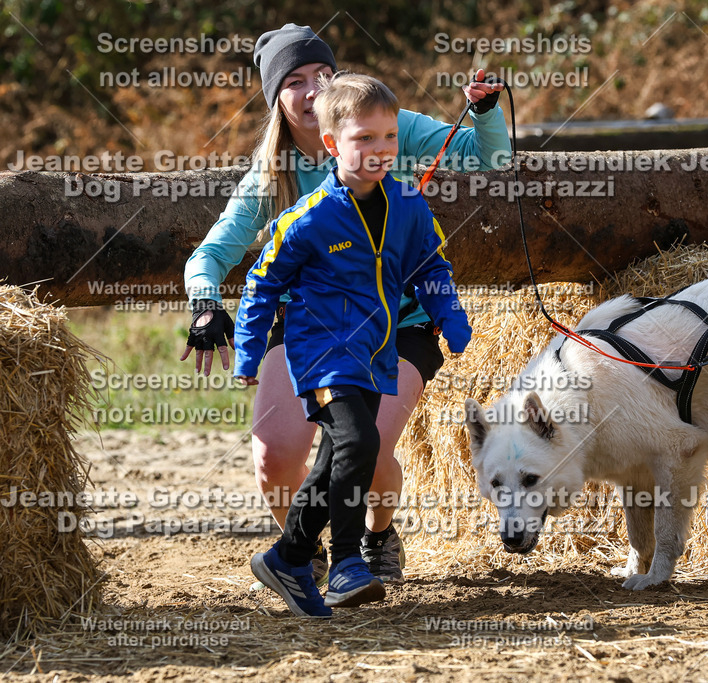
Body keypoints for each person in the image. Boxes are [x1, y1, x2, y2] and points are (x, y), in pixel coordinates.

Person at [180, 24, 510, 584]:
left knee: (366, 445)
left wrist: (484, 111)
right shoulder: (273, 175)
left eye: (321, 75)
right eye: (295, 81)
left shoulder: (387, 125)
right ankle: (300, 552)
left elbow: (489, 160)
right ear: (276, 100)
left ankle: (377, 535)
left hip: (396, 324)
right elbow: (210, 254)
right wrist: (205, 303)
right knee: (275, 456)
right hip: (313, 326)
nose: (312, 90)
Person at [236, 72, 471, 615]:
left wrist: (450, 319)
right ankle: (345, 564)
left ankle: (288, 557)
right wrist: (249, 353)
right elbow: (261, 284)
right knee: (361, 444)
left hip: (375, 352)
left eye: (388, 136)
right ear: (331, 144)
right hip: (320, 351)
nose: (380, 149)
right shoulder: (308, 219)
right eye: (364, 138)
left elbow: (429, 265)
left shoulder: (408, 205)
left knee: (337, 458)